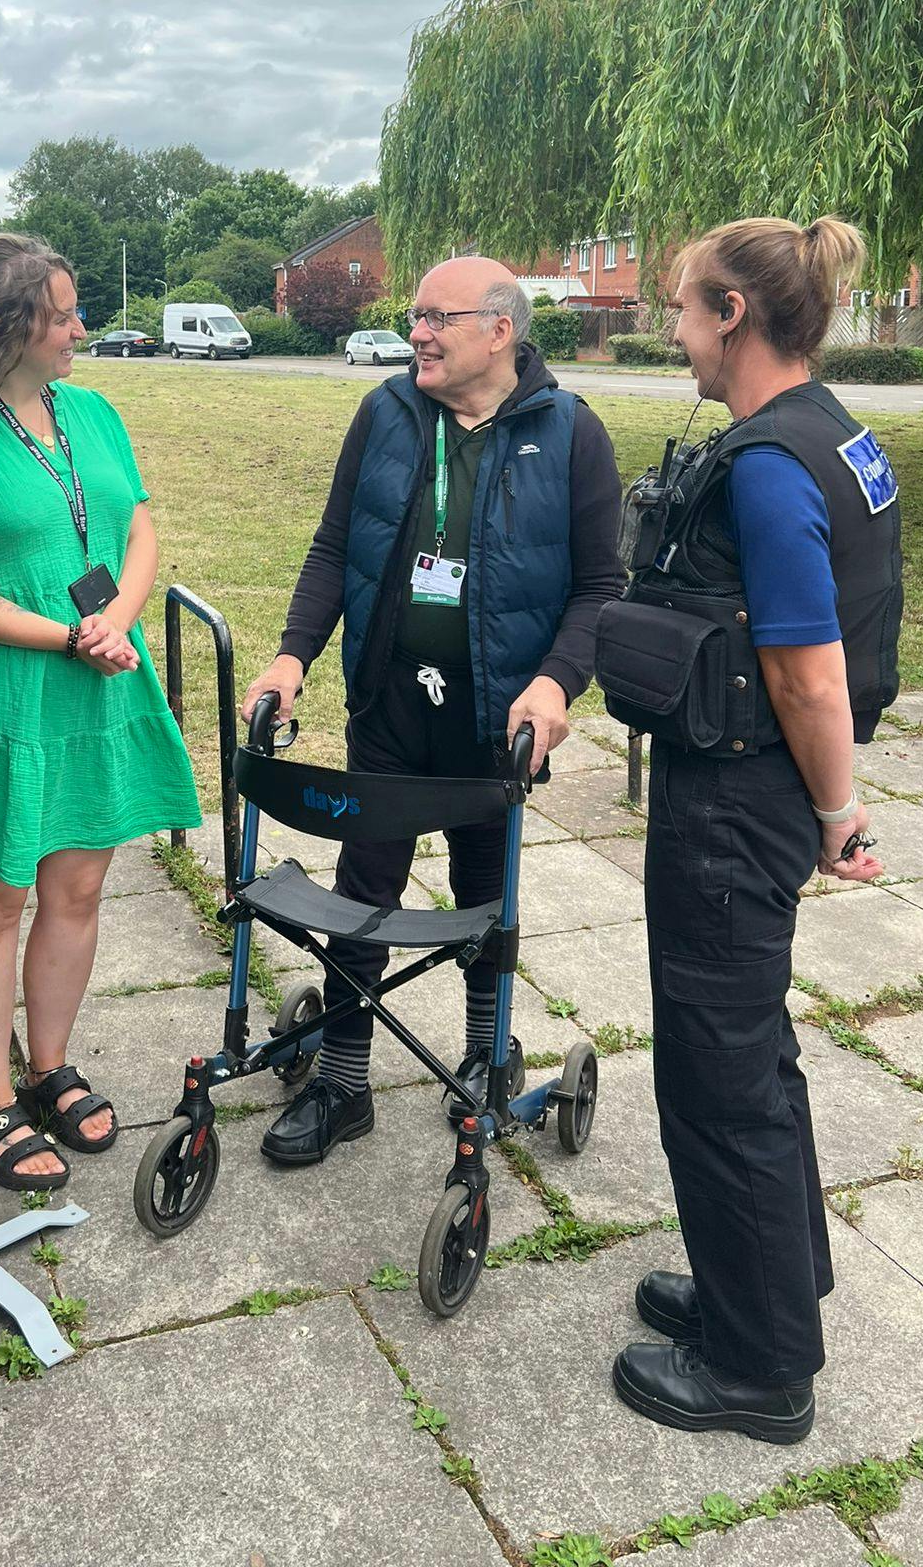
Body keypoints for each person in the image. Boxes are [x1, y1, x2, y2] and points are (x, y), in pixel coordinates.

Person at [596, 216, 901, 1446]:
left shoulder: (770, 460)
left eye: (680, 308)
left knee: (719, 1076)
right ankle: (766, 1281)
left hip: (738, 797)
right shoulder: (839, 432)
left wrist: (839, 812)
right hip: (757, 788)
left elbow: (810, 669)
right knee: (752, 1050)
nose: (671, 331)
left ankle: (761, 1365)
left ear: (733, 313)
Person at [243, 256, 625, 1166]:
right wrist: (294, 656)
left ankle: (486, 1057)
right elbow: (336, 546)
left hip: (496, 725)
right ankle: (342, 1082)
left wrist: (556, 683)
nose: (415, 331)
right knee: (361, 888)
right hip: (389, 706)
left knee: (485, 898)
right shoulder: (385, 413)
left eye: (434, 316)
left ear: (500, 330)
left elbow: (602, 587)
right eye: (413, 314)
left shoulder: (571, 432)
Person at [0, 233, 200, 1192]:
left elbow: (135, 523)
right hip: (14, 690)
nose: (82, 326)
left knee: (79, 892)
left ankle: (51, 1067)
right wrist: (73, 635)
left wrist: (117, 616)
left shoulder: (94, 410)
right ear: (6, 325)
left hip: (105, 681)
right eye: (64, 312)